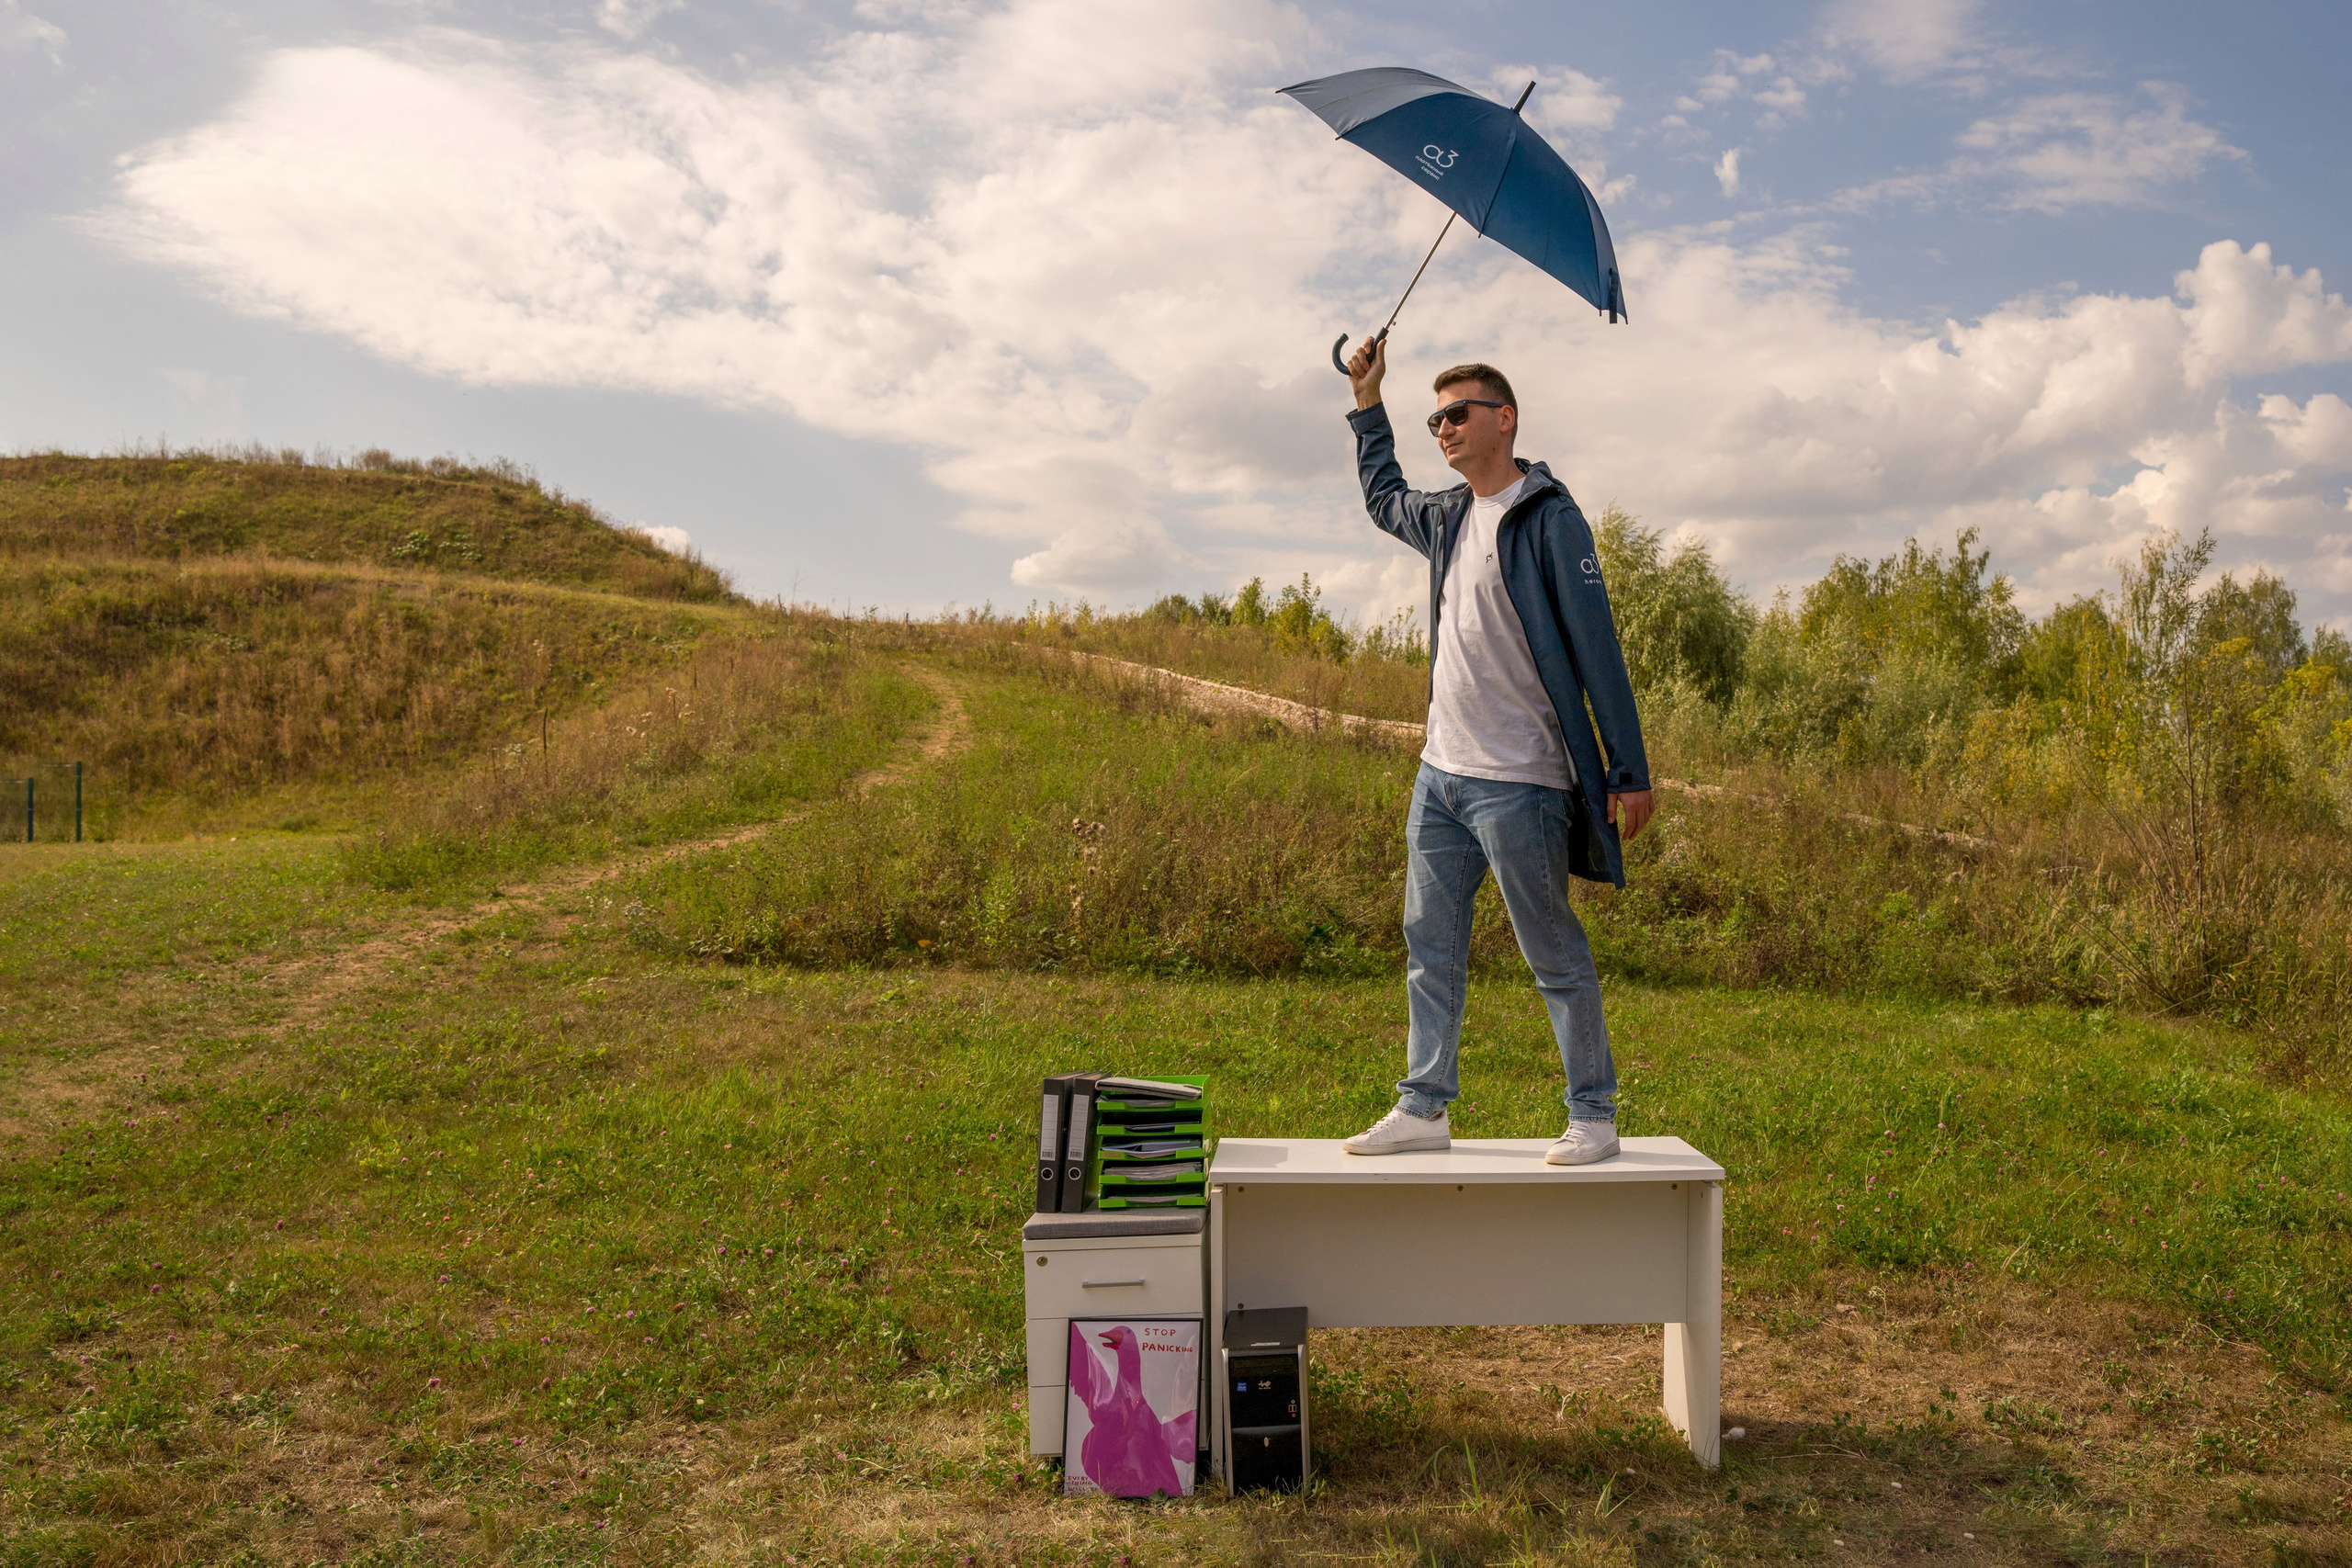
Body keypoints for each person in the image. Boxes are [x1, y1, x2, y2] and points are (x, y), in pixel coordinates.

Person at [1339, 336, 1653, 1166]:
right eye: (1435, 415)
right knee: (1428, 941)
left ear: (1503, 420)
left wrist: (1629, 769)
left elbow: (1599, 649)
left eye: (1457, 413)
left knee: (1551, 949)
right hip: (1440, 777)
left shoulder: (1553, 520)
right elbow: (1382, 495)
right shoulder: (1446, 517)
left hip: (1522, 784)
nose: (1442, 426)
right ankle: (1424, 1106)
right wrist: (1369, 402)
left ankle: (1594, 1112)